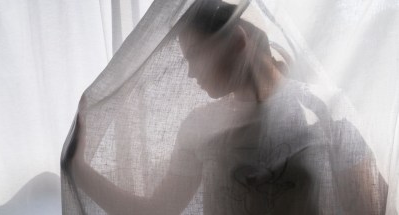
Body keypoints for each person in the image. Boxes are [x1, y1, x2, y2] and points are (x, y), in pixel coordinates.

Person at [64, 0, 387, 214]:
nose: (190, 73)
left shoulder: (326, 111)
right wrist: (79, 168)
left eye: (195, 57)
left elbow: (367, 210)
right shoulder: (199, 125)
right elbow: (157, 212)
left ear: (237, 42)